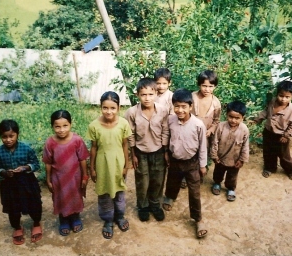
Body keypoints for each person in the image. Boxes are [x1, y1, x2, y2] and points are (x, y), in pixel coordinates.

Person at [162, 88, 208, 238]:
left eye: (184, 106)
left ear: (191, 106)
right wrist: (167, 153)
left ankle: (198, 219)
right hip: (175, 159)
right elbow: (168, 137)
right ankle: (170, 196)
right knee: (172, 180)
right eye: (177, 106)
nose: (180, 110)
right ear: (172, 106)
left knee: (194, 191)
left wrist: (202, 165)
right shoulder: (170, 120)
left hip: (192, 163)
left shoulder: (198, 125)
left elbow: (202, 146)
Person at [86, 91, 132, 239]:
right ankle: (107, 220)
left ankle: (119, 216)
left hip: (119, 164)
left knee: (119, 192)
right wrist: (92, 168)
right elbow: (93, 148)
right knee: (105, 193)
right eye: (105, 108)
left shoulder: (123, 124)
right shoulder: (94, 125)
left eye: (112, 108)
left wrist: (126, 165)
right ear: (100, 107)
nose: (109, 111)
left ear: (118, 108)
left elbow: (125, 145)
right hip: (102, 165)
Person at [0, 119, 43, 245]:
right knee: (12, 207)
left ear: (17, 134)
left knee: (33, 203)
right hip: (9, 184)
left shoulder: (26, 148)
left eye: (11, 136)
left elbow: (36, 164)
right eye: (4, 137)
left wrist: (25, 168)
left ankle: (36, 222)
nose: (8, 139)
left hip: (27, 182)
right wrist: (3, 173)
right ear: (0, 136)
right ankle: (17, 227)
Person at [125, 78, 169, 222]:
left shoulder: (163, 111)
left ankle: (155, 205)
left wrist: (165, 152)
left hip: (158, 151)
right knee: (142, 181)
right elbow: (130, 135)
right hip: (140, 152)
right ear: (137, 95)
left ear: (156, 93)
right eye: (143, 94)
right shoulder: (132, 112)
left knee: (158, 180)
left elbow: (165, 131)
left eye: (150, 94)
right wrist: (133, 155)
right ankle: (143, 206)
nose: (147, 98)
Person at [42, 110, 89, 236]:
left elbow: (82, 159)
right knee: (60, 198)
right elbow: (47, 162)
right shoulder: (50, 142)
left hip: (75, 177)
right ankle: (63, 220)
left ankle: (75, 218)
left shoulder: (77, 140)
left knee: (75, 197)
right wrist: (48, 179)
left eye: (65, 126)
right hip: (58, 178)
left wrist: (85, 176)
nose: (61, 130)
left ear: (71, 124)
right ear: (52, 126)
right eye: (57, 126)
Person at [254, 80, 292, 180]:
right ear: (277, 94)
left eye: (287, 97)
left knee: (284, 155)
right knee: (268, 152)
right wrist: (258, 119)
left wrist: (287, 136)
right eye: (281, 95)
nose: (283, 99)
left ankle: (291, 169)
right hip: (268, 132)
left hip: (282, 136)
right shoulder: (272, 102)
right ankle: (269, 168)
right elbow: (266, 111)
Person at [186, 70, 221, 189]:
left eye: (210, 86)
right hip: (190, 131)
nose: (207, 89)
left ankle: (199, 175)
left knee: (202, 153)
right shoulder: (192, 97)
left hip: (205, 134)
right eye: (204, 86)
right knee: (190, 153)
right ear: (199, 85)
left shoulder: (216, 103)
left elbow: (216, 121)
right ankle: (187, 176)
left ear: (215, 86)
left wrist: (211, 130)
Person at [211, 101, 249, 202]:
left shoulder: (244, 129)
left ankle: (231, 189)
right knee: (218, 172)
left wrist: (242, 160)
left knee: (232, 176)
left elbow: (245, 146)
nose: (233, 120)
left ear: (242, 118)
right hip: (220, 158)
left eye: (237, 118)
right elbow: (215, 142)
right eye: (230, 117)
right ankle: (217, 183)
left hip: (234, 159)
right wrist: (214, 156)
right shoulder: (221, 126)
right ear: (226, 115)